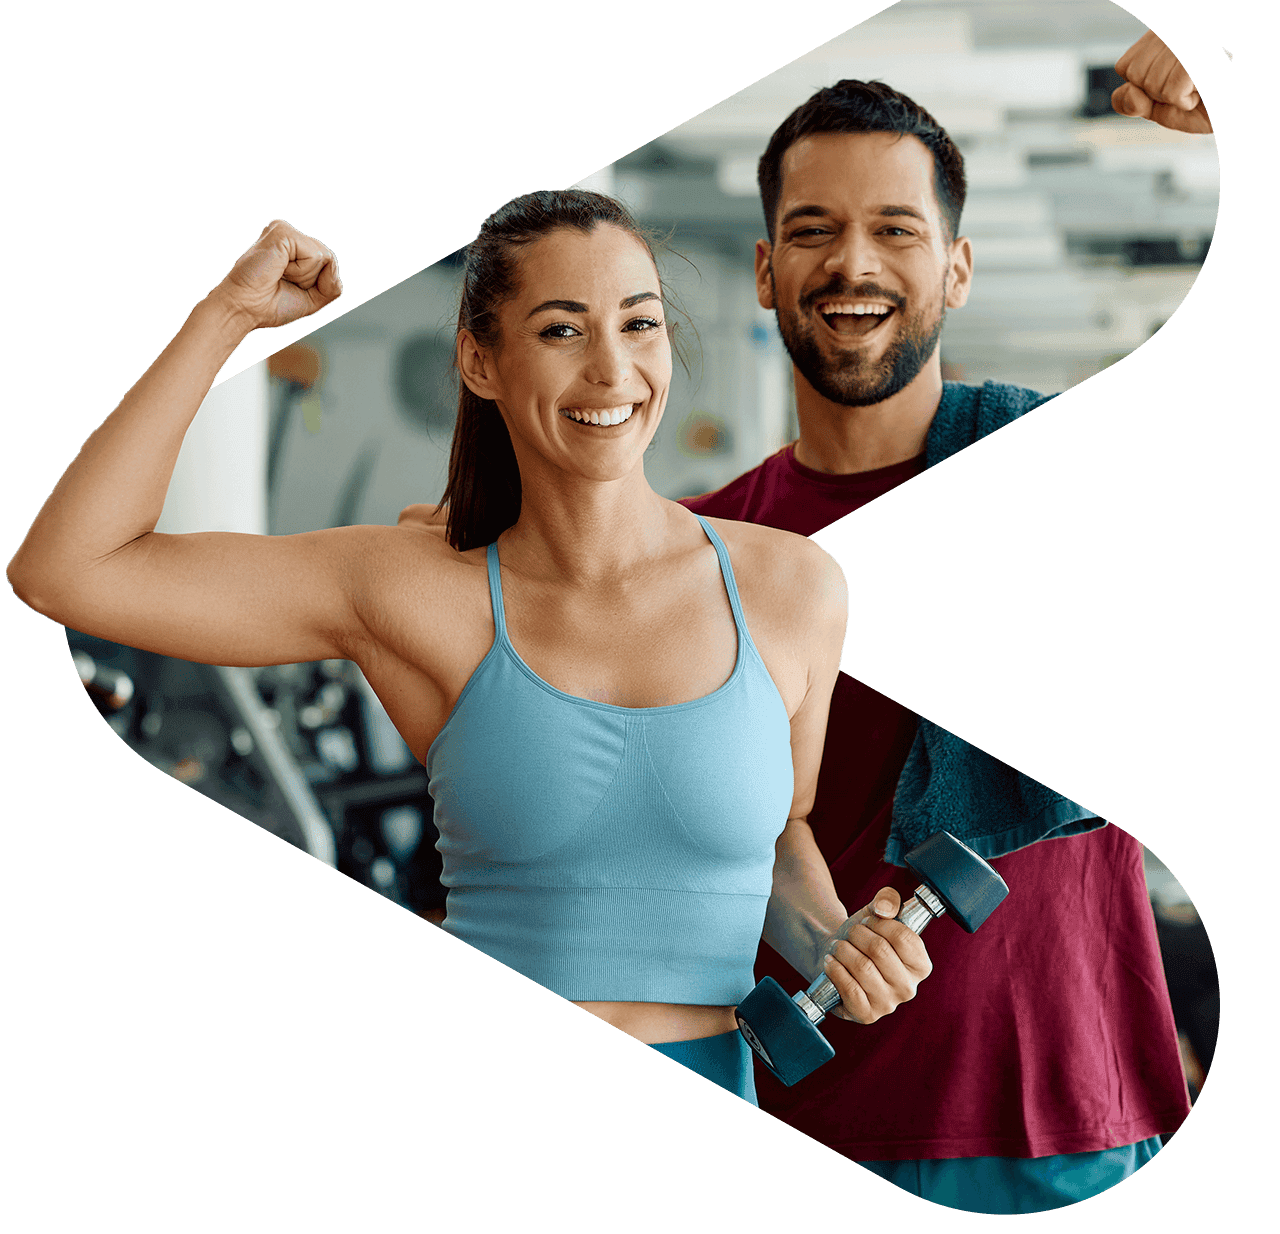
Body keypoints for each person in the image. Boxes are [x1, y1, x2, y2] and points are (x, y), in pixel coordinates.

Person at [7, 191, 934, 1107]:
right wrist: (225, 320)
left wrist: (832, 942)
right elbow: (68, 572)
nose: (613, 370)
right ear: (480, 361)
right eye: (562, 331)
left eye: (640, 325)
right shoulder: (410, 588)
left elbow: (777, 835)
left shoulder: (794, 588)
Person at [679, 32, 1205, 1212]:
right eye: (811, 230)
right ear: (763, 268)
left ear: (956, 269)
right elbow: (721, 802)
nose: (849, 262)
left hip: (1061, 1117)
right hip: (801, 1107)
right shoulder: (704, 542)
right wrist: (818, 935)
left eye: (894, 229)